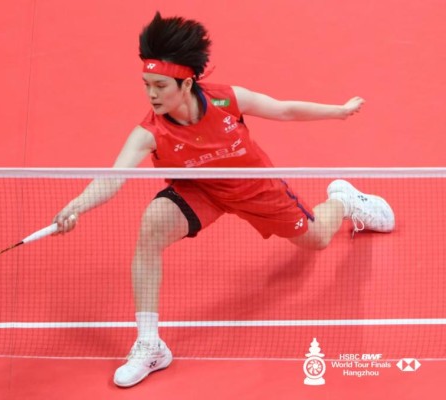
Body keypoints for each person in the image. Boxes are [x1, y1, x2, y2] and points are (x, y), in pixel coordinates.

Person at [53, 12, 395, 388]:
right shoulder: (150, 132)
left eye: (160, 86)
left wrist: (339, 111)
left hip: (254, 187)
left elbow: (283, 109)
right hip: (200, 190)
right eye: (147, 85)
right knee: (151, 228)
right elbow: (112, 178)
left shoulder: (225, 99)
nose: (152, 95)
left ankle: (343, 201)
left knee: (317, 240)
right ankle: (150, 344)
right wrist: (75, 207)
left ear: (186, 83)